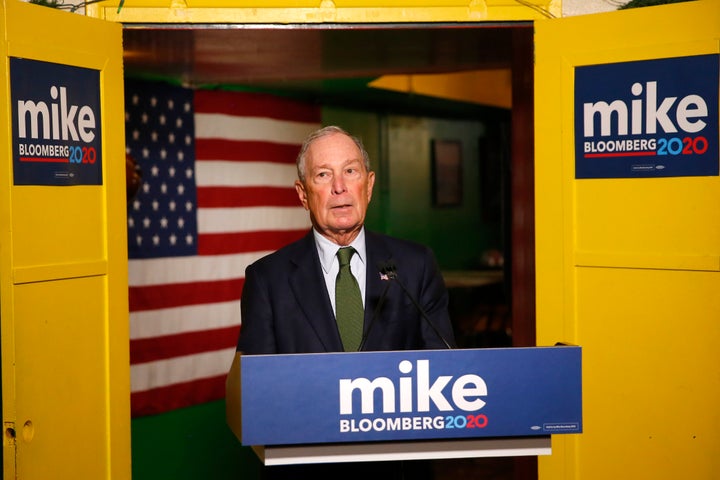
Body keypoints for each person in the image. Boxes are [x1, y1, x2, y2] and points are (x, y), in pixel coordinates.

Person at [234, 125, 457, 478]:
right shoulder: (267, 279)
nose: (339, 186)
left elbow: (444, 372)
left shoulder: (415, 265)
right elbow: (256, 393)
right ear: (303, 194)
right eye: (323, 175)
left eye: (350, 171)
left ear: (367, 186)